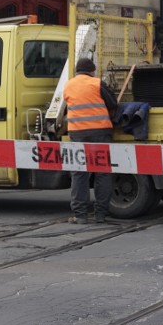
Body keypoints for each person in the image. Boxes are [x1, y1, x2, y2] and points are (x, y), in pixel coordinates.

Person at [63, 58, 117, 224]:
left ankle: (80, 216)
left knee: (79, 173)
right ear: (92, 71)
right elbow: (113, 103)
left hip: (77, 133)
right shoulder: (97, 83)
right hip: (100, 132)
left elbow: (68, 105)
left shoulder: (68, 85)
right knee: (102, 173)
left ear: (77, 71)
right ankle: (100, 214)